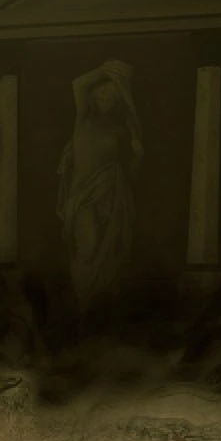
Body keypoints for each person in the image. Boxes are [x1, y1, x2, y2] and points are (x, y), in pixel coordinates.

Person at [58, 59, 144, 314]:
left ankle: (96, 310)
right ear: (94, 97)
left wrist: (137, 156)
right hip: (81, 195)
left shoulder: (121, 131)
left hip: (111, 194)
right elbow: (78, 84)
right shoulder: (83, 120)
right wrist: (106, 71)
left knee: (108, 254)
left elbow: (131, 176)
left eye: (113, 96)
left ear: (119, 101)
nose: (106, 99)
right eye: (103, 94)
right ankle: (84, 303)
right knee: (88, 246)